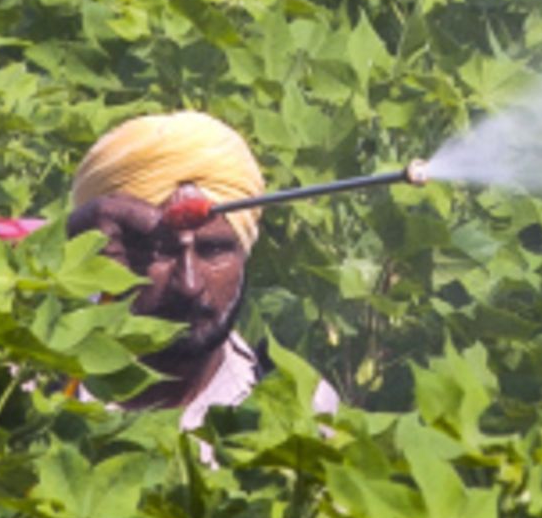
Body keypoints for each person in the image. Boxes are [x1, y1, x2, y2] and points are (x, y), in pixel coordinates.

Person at [51, 110, 345, 430]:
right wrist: (57, 254)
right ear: (108, 253)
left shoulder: (301, 408)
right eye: (160, 251)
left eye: (214, 250)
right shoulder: (25, 381)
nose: (189, 284)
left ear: (244, 254)